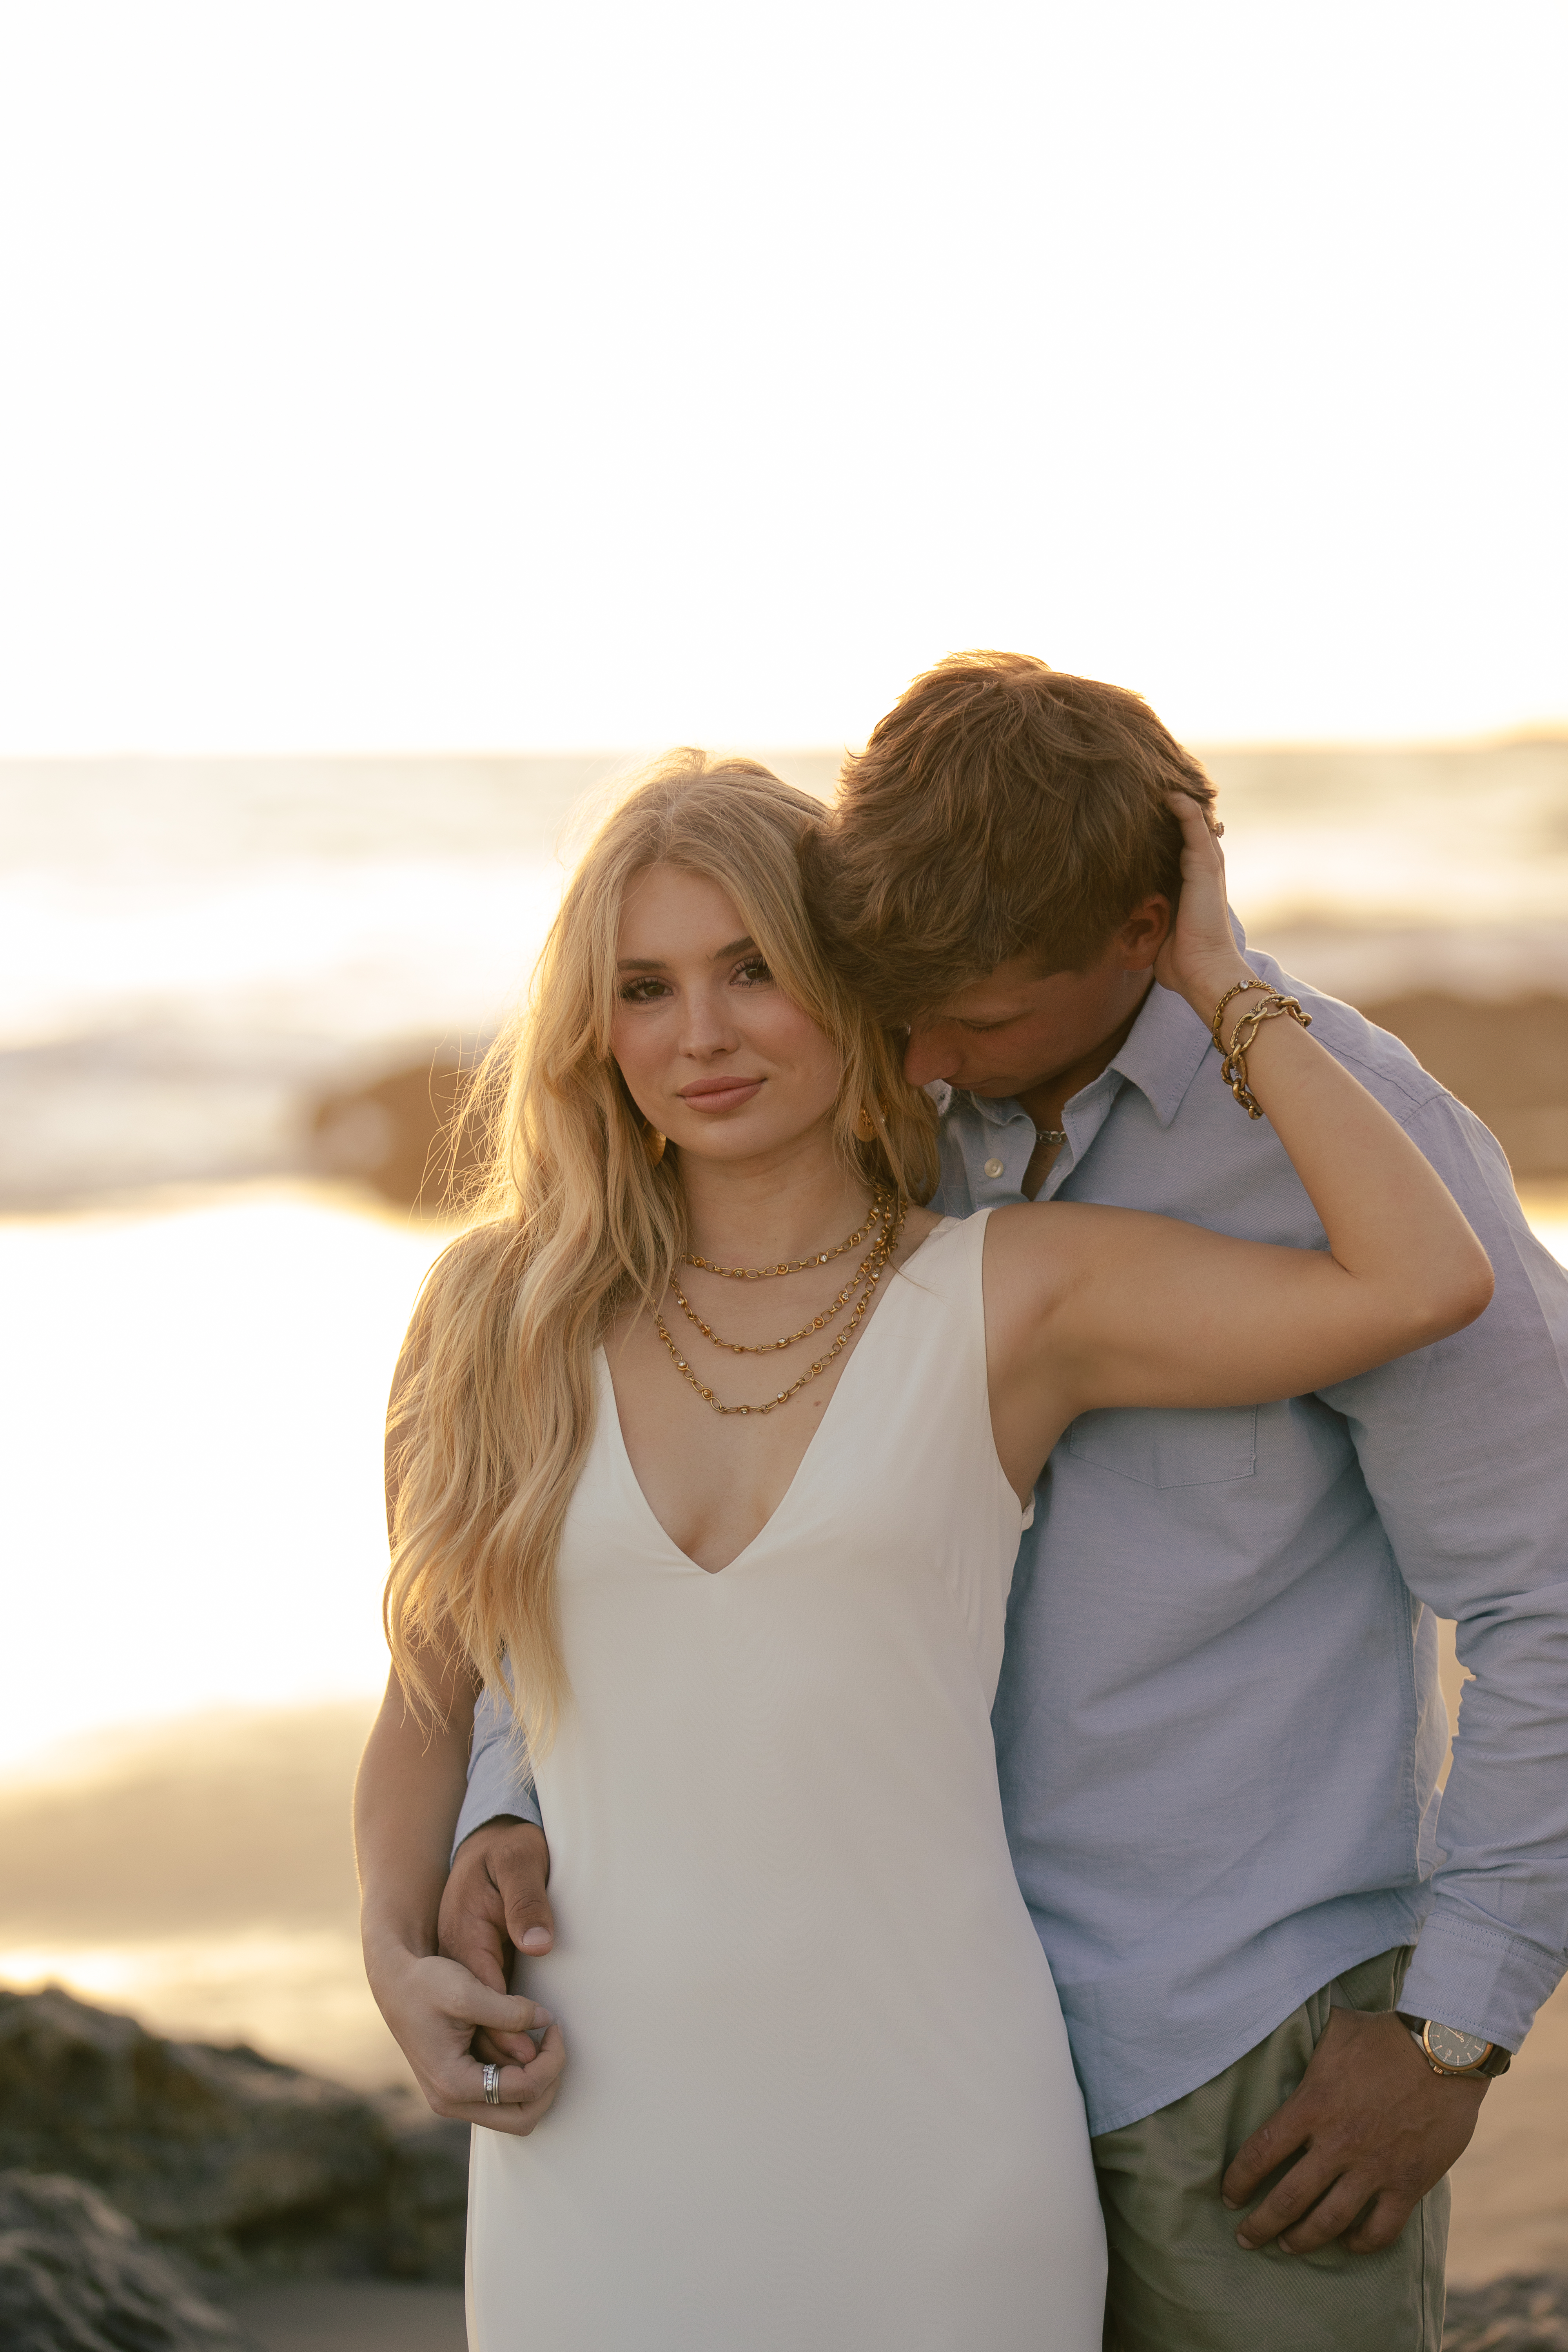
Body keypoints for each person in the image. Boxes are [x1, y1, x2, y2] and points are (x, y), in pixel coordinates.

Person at [357, 740, 1492, 2352]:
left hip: (940, 2135)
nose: (703, 1035)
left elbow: (1417, 1282)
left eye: (754, 969)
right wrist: (394, 1961)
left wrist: (1217, 979)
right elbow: (422, 1693)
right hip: (593, 2134)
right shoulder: (490, 1318)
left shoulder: (1007, 1292)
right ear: (591, 1029)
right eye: (645, 988)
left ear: (851, 982)